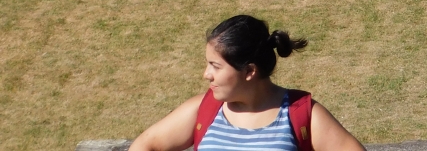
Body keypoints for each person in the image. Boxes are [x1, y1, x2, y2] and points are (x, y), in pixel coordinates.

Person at [129, 15, 365, 151]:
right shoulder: (202, 110)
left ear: (249, 71)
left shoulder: (300, 113)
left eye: (216, 66)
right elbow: (145, 146)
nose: (206, 74)